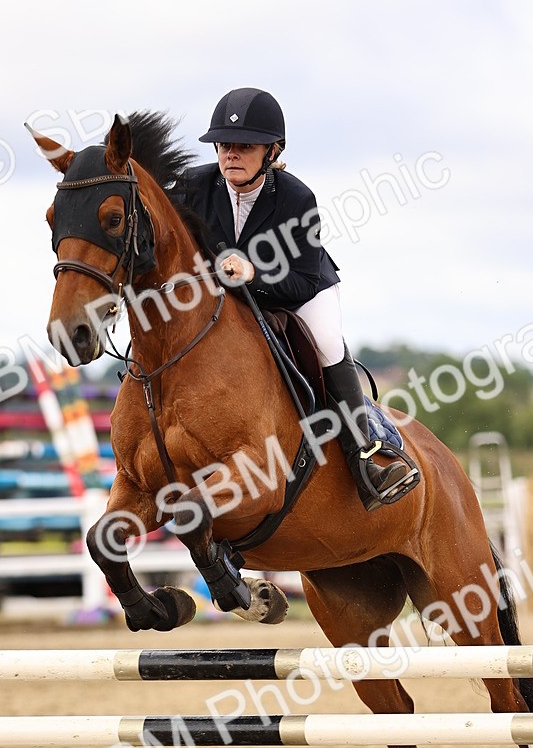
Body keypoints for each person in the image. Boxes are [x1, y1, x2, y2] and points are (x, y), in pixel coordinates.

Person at [177, 87, 414, 511]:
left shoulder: (295, 198)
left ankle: (364, 458)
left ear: (272, 151)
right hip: (223, 297)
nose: (231, 154)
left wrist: (253, 275)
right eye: (224, 145)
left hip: (297, 288)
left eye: (244, 146)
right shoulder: (194, 185)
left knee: (325, 340)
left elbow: (301, 283)